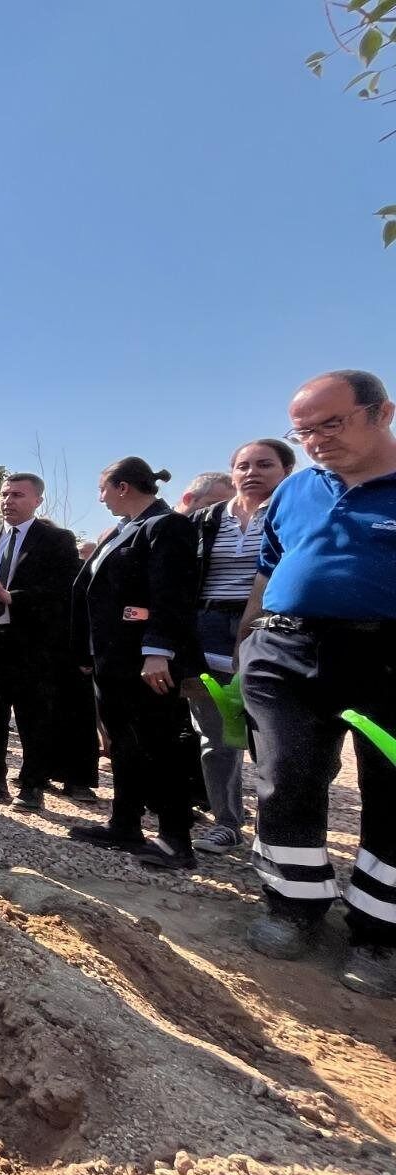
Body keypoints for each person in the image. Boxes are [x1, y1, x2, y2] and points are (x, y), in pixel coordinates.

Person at [237, 370, 396, 997]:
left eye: (331, 423)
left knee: (391, 790)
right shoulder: (298, 488)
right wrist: (247, 640)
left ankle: (379, 933)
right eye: (303, 431)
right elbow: (270, 565)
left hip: (385, 656)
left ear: (382, 412)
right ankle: (292, 907)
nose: (317, 441)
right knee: (286, 777)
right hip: (286, 648)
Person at [69, 457, 201, 870]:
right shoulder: (123, 529)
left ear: (123, 487)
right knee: (124, 747)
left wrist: (158, 650)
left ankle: (175, 839)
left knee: (161, 748)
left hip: (146, 663)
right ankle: (124, 824)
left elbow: (172, 595)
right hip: (112, 660)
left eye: (103, 489)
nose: (100, 497)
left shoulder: (167, 527)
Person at [186, 438, 295, 855]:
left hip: (273, 630)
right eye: (243, 466)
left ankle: (281, 831)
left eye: (264, 465)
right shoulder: (209, 520)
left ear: (286, 471)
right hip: (209, 629)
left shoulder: (294, 514)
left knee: (277, 739)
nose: (252, 473)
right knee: (215, 735)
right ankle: (227, 822)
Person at [0, 474, 80, 808]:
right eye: (4, 494)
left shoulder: (56, 540)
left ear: (37, 500)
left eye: (17, 495)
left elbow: (63, 591)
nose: (8, 501)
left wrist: (13, 597)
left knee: (33, 716)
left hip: (32, 644)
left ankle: (32, 786)